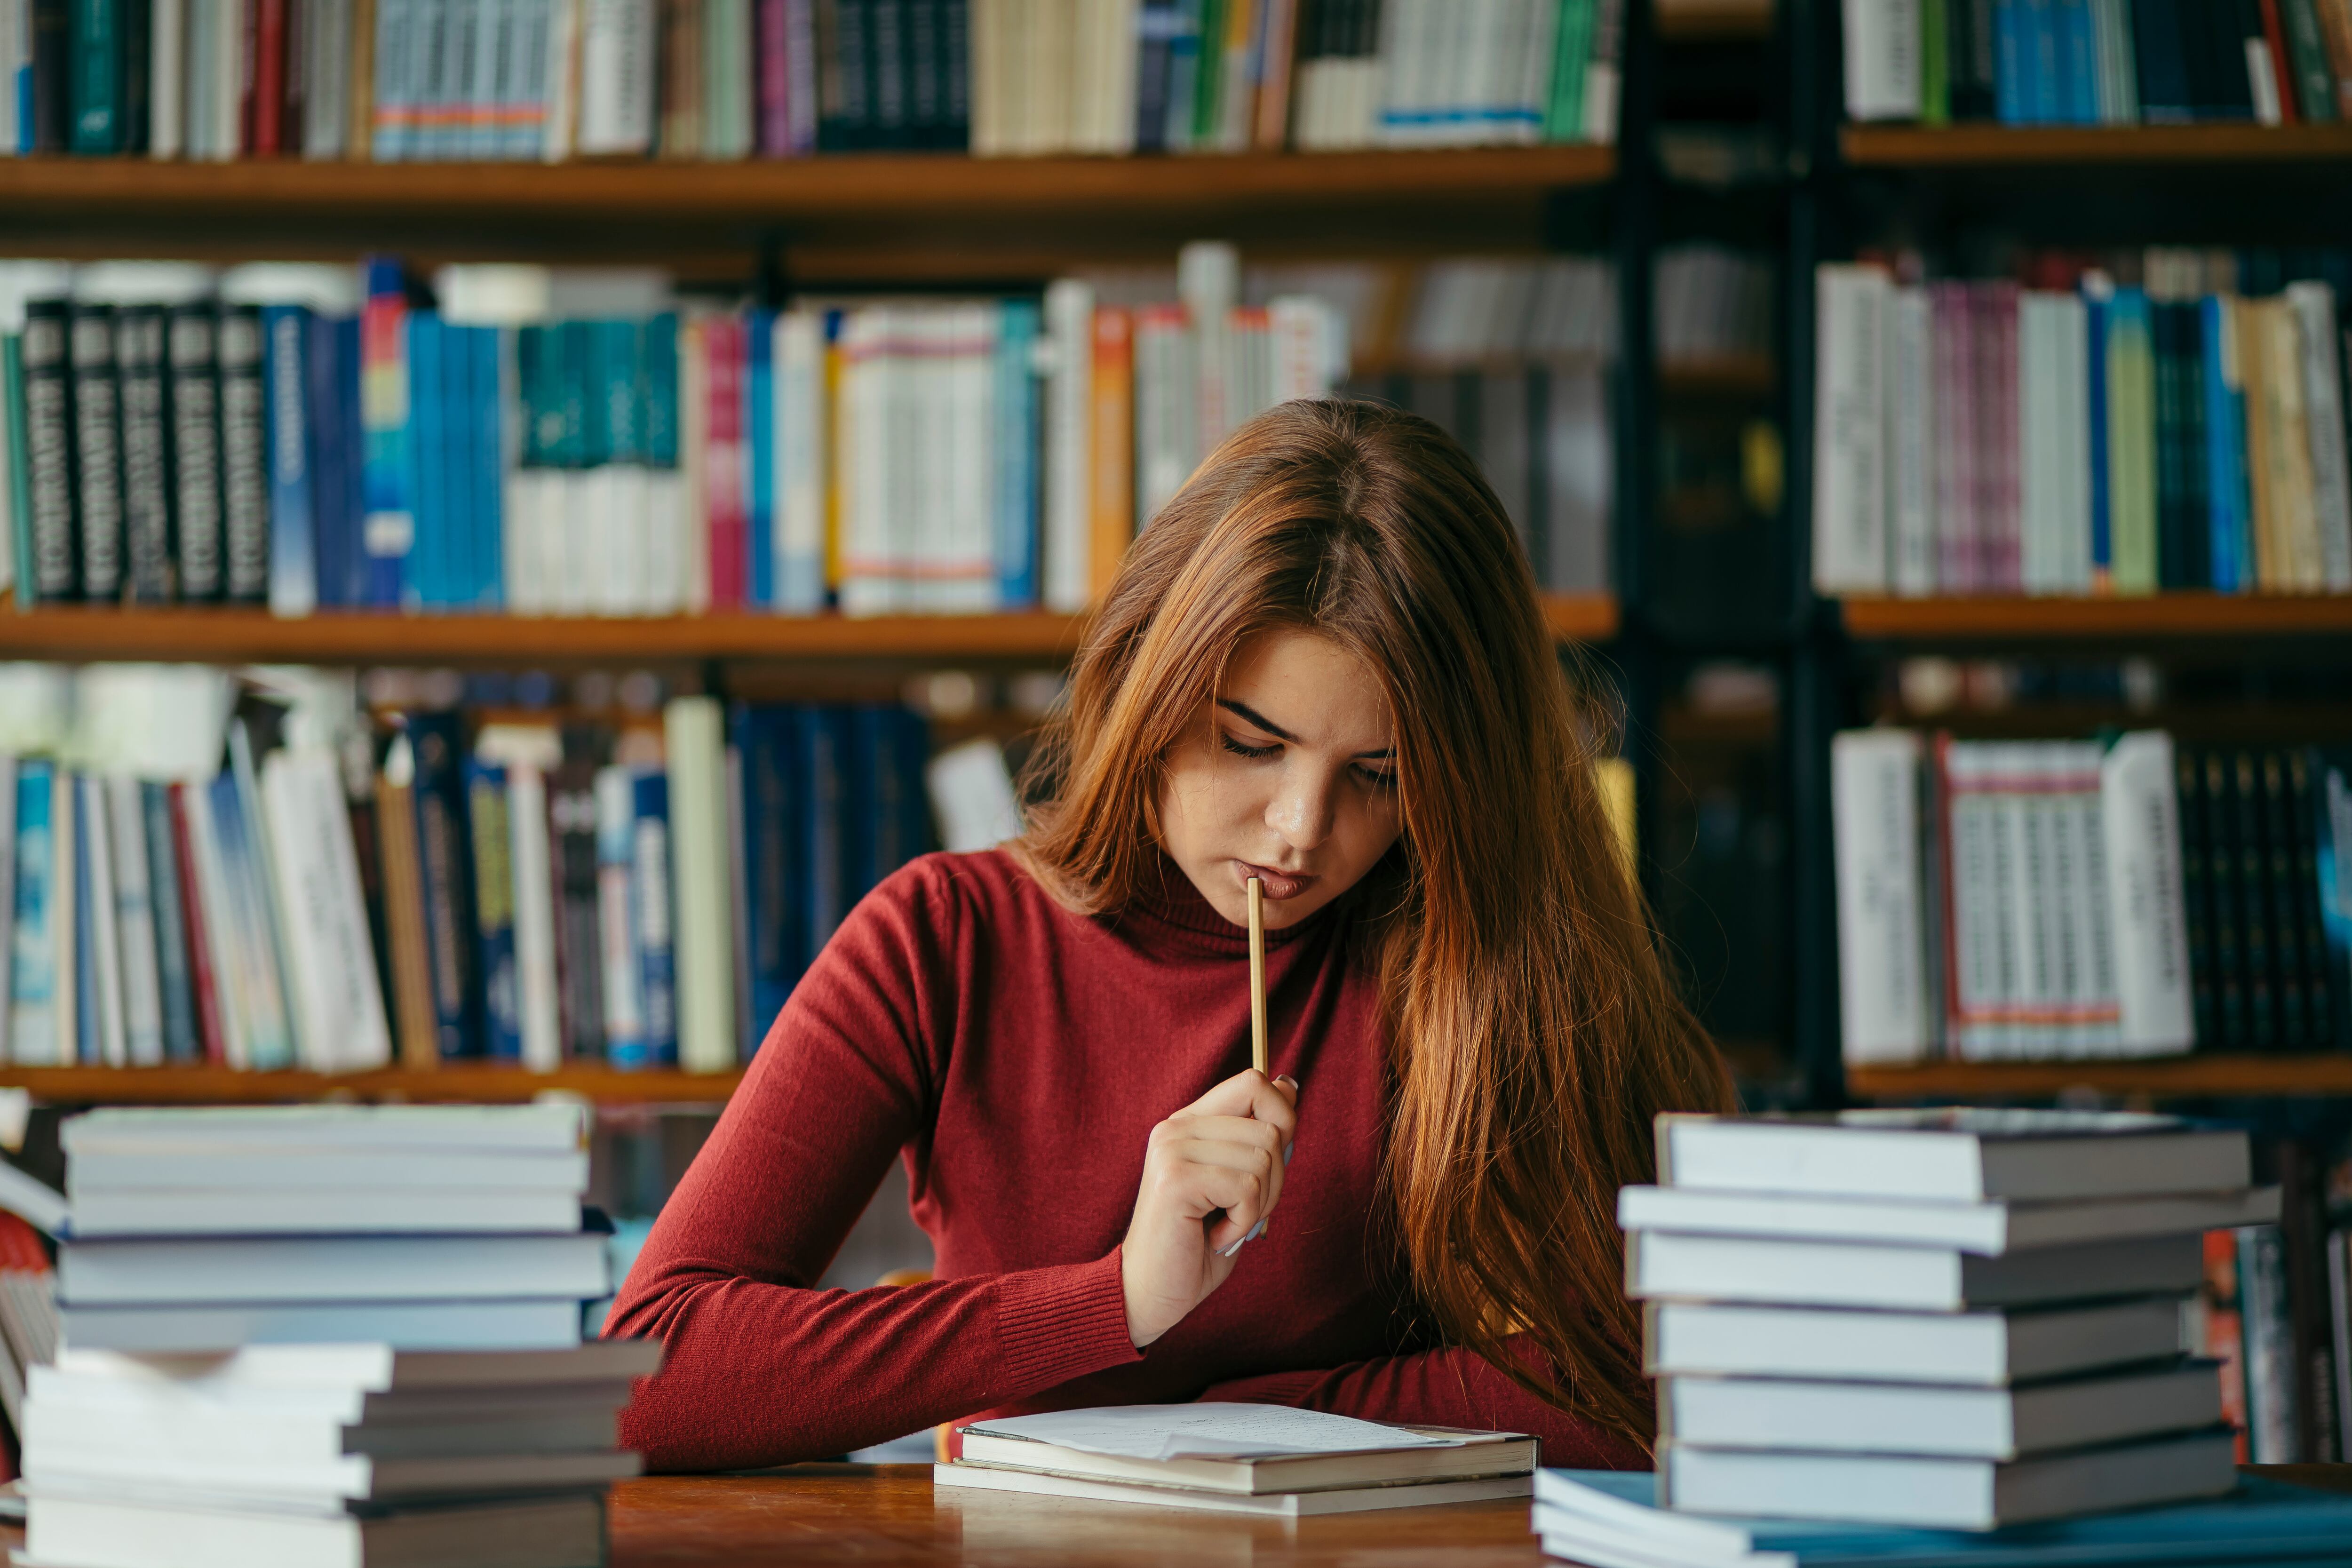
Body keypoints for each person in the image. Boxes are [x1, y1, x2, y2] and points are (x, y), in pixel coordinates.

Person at [606, 398, 1735, 1472]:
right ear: (1147, 683)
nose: (1300, 833)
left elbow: (1645, 1377)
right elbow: (645, 1379)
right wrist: (1115, 1301)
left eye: (1379, 776)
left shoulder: (1485, 948)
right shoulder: (945, 940)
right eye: (1251, 744)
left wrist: (1257, 1425)